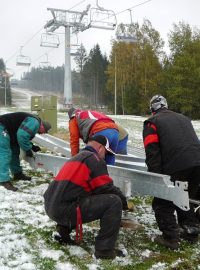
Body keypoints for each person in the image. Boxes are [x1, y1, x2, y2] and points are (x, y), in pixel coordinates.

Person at [44, 135, 128, 259]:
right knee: (114, 201)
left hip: (51, 207)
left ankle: (62, 232)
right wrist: (124, 201)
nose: (105, 156)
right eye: (106, 152)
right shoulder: (94, 158)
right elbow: (105, 187)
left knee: (76, 194)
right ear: (100, 148)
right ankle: (104, 251)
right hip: (65, 210)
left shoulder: (76, 158)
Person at [143, 94, 200, 250]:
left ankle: (170, 238)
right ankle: (191, 230)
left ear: (152, 109)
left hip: (176, 164)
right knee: (185, 197)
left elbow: (152, 153)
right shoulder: (184, 118)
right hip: (197, 163)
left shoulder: (152, 123)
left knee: (163, 202)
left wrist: (157, 180)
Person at [0, 112, 51, 192]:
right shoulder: (35, 122)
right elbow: (22, 135)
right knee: (4, 153)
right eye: (45, 131)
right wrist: (27, 149)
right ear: (42, 126)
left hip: (10, 131)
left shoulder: (33, 121)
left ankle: (17, 174)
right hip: (2, 127)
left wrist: (32, 146)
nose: (43, 133)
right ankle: (3, 181)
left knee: (15, 152)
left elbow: (23, 135)